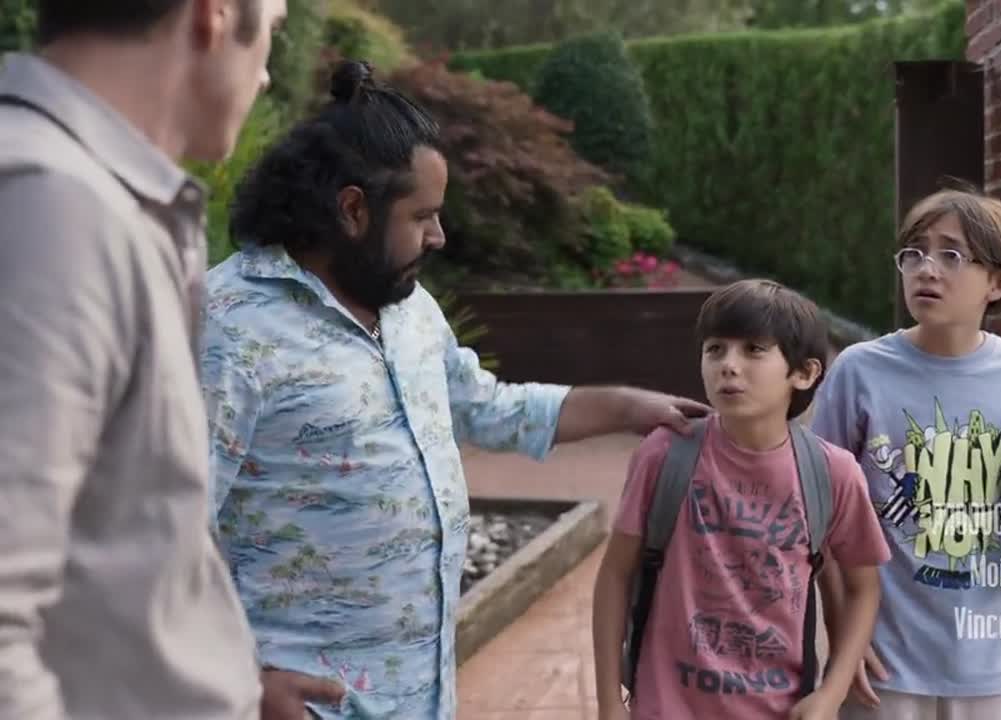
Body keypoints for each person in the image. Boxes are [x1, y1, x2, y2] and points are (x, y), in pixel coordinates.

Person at [201, 59, 711, 720]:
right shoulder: (229, 324)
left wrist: (625, 408)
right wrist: (241, 679)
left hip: (421, 698)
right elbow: (157, 529)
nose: (438, 237)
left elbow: (488, 407)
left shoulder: (408, 309)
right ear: (352, 209)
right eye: (423, 216)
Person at [0, 1, 286, 718]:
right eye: (273, 28)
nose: (268, 74)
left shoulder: (90, 199)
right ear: (213, 15)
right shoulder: (53, 208)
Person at [810, 188, 1001, 720]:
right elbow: (820, 518)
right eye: (914, 253)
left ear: (997, 282)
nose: (926, 269)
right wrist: (843, 638)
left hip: (986, 664)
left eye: (951, 255)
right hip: (882, 662)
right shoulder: (859, 371)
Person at [592, 278, 892, 720]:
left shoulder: (832, 472)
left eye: (754, 350)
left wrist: (831, 693)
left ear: (804, 373)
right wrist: (608, 702)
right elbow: (615, 575)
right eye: (715, 349)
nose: (728, 366)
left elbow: (864, 588)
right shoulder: (665, 454)